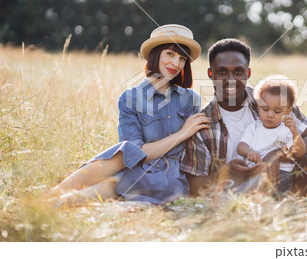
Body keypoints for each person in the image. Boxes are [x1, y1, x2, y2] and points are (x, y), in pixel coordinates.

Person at [180, 38, 307, 196]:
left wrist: (276, 155)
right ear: (210, 73)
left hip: (288, 181)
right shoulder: (202, 123)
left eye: (238, 72)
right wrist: (227, 172)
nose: (230, 80)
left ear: (248, 72)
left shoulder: (271, 98)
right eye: (222, 72)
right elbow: (195, 186)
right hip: (243, 194)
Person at [51, 24, 210, 205]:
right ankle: (52, 195)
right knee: (126, 149)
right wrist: (181, 134)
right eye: (170, 54)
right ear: (155, 54)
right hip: (135, 170)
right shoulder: (130, 98)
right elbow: (134, 154)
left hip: (169, 179)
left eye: (182, 58)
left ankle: (52, 203)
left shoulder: (191, 100)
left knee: (108, 185)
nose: (176, 63)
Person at [237, 75, 305, 194]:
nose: (270, 114)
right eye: (265, 109)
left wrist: (295, 132)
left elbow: (300, 153)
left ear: (288, 111)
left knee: (252, 191)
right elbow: (241, 146)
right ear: (258, 107)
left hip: (279, 174)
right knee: (244, 186)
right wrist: (249, 151)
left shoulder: (286, 130)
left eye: (277, 111)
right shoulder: (254, 127)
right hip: (255, 172)